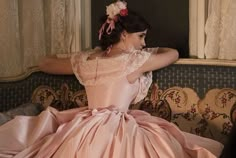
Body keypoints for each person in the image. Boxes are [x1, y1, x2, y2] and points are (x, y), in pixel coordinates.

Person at [0, 1, 223, 157]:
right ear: (124, 34)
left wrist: (86, 53)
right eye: (141, 36)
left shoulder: (88, 61)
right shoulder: (134, 61)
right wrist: (152, 51)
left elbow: (45, 63)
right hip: (117, 127)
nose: (144, 43)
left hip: (84, 125)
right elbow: (173, 53)